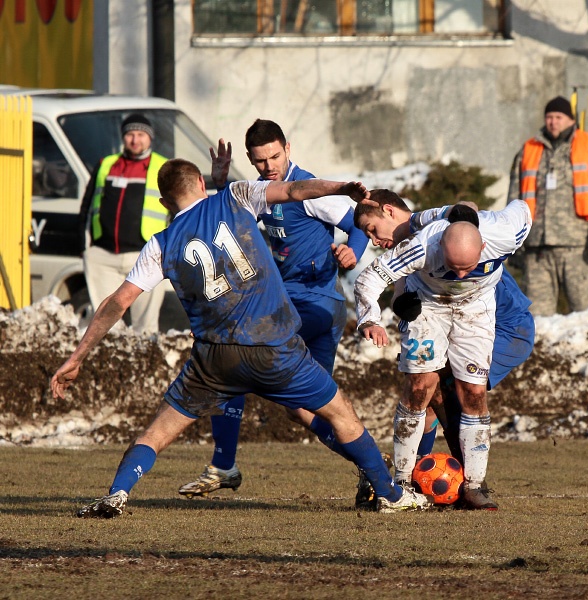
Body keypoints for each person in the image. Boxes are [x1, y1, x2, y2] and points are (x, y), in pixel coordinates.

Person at [52, 159, 432, 518]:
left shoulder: (160, 244)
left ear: (165, 202)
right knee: (340, 414)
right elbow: (297, 190)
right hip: (275, 347)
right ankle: (391, 495)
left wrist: (77, 357)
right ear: (202, 183)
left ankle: (117, 492)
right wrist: (342, 187)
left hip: (215, 360)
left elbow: (118, 302)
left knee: (158, 431)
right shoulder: (234, 196)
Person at [177, 119, 369, 499]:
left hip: (319, 305)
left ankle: (224, 464)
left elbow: (360, 221)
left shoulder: (309, 190)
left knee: (240, 361)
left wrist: (353, 250)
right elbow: (230, 213)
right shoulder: (260, 191)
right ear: (250, 160)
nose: (270, 166)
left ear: (288, 148)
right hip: (283, 304)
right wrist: (219, 185)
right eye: (261, 160)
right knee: (299, 406)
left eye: (275, 156)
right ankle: (370, 467)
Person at [354, 189, 531, 510]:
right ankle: (403, 481)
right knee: (419, 387)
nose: (459, 275)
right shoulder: (422, 246)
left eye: (467, 268)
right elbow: (369, 279)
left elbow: (521, 206)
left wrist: (457, 209)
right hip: (431, 309)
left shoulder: (508, 233)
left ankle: (476, 486)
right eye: (452, 266)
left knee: (474, 392)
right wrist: (370, 318)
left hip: (476, 310)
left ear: (484, 247)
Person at [507, 95, 588, 316]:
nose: (553, 122)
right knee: (535, 319)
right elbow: (514, 200)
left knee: (585, 316)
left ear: (570, 120)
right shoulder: (529, 149)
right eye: (549, 117)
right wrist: (514, 244)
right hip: (537, 249)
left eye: (559, 117)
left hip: (579, 248)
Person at [78, 113, 168, 333]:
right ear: (123, 137)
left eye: (140, 134)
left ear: (150, 138)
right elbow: (87, 207)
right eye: (130, 134)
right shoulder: (106, 165)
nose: (135, 140)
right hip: (104, 255)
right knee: (107, 323)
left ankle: (146, 364)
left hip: (146, 256)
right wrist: (85, 246)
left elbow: (178, 211)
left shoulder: (163, 167)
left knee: (145, 327)